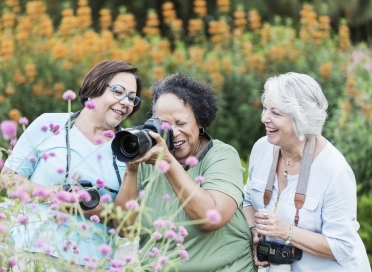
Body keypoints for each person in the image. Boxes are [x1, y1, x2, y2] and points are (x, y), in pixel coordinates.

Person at [0, 60, 142, 268]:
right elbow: (6, 177)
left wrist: (101, 212)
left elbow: (127, 228)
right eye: (118, 92)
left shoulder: (128, 147)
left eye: (131, 98)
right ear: (95, 86)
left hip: (93, 263)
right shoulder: (49, 124)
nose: (126, 102)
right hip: (34, 255)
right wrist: (52, 194)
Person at [114, 72, 256, 271]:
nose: (173, 132)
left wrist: (168, 163)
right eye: (164, 125)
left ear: (200, 123)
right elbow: (125, 229)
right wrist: (132, 168)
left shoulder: (221, 156)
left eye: (181, 123)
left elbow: (211, 217)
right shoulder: (147, 161)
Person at [243, 72, 371, 271]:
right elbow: (248, 201)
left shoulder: (334, 171)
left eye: (275, 113)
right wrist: (255, 233)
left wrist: (287, 231)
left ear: (301, 119)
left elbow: (343, 246)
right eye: (265, 108)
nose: (264, 118)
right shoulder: (261, 149)